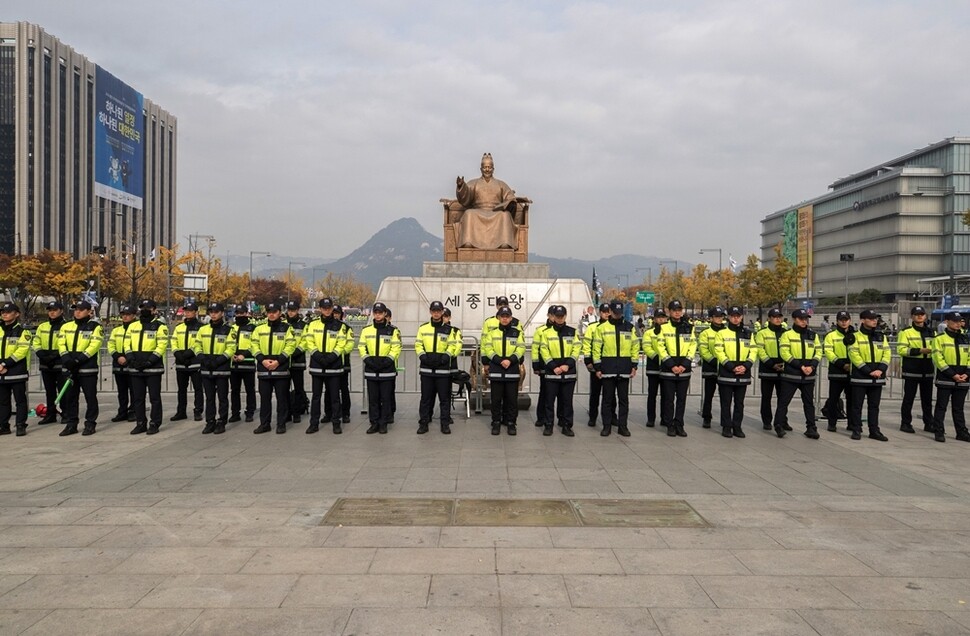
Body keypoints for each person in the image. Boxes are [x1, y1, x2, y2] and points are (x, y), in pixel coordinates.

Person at [454, 153, 523, 249]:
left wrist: (511, 202)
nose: (487, 169)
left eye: (489, 167)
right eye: (485, 167)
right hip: (478, 211)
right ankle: (468, 242)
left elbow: (509, 197)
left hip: (496, 212)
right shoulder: (474, 183)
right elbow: (465, 196)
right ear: (481, 169)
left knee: (505, 215)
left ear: (493, 169)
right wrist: (461, 186)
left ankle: (504, 243)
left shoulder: (501, 184)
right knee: (469, 213)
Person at [592, 300, 640, 437]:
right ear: (611, 312)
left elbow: (635, 346)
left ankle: (622, 426)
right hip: (608, 368)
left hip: (624, 368)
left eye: (620, 313)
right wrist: (597, 367)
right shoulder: (602, 328)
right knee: (607, 399)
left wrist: (634, 365)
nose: (618, 315)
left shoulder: (629, 327)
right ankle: (606, 426)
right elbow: (596, 349)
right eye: (615, 312)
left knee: (623, 400)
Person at [773, 309, 822, 439]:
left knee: (809, 403)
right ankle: (778, 425)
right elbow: (784, 353)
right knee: (784, 402)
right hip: (791, 375)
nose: (804, 321)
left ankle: (811, 428)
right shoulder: (787, 335)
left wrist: (812, 366)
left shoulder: (813, 335)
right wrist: (800, 366)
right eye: (801, 319)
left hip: (808, 375)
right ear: (794, 319)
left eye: (806, 319)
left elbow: (818, 352)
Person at [57, 301, 103, 436]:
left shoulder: (95, 327)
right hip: (70, 367)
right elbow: (61, 343)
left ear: (89, 312)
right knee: (70, 397)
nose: (77, 312)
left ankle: (90, 423)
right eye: (75, 309)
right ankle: (71, 424)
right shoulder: (66, 326)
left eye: (81, 310)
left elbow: (94, 345)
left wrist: (78, 360)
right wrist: (66, 358)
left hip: (87, 368)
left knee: (90, 397)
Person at [304, 297, 349, 434]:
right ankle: (314, 423)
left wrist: (331, 357)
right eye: (324, 308)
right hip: (317, 365)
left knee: (335, 397)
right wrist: (317, 355)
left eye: (329, 308)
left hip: (334, 365)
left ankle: (336, 423)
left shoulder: (340, 326)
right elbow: (309, 341)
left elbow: (341, 343)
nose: (327, 310)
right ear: (320, 309)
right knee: (316, 397)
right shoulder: (312, 325)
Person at [124, 299, 169, 435]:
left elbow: (161, 345)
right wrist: (131, 359)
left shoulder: (160, 326)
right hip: (136, 367)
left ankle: (154, 423)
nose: (145, 310)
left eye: (148, 308)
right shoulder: (133, 326)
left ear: (154, 310)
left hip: (153, 368)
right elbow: (127, 343)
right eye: (142, 307)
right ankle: (140, 423)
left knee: (154, 398)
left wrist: (150, 361)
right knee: (138, 397)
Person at [251, 301, 296, 434]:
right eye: (269, 312)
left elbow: (290, 346)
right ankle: (265, 424)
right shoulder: (259, 329)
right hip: (264, 369)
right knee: (265, 399)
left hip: (280, 369)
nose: (271, 314)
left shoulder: (287, 328)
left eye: (274, 312)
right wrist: (262, 360)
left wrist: (278, 361)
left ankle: (281, 424)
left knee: (281, 398)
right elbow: (254, 345)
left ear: (279, 313)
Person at [416, 300, 461, 434]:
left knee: (444, 399)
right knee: (425, 399)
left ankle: (445, 424)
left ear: (442, 312)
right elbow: (418, 344)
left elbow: (453, 345)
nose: (436, 313)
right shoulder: (423, 328)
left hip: (443, 370)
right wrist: (423, 356)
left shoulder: (449, 330)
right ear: (430, 312)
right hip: (426, 369)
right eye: (434, 311)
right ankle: (423, 423)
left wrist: (446, 356)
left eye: (438, 311)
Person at [847, 309, 891, 441]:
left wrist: (880, 370)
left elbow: (887, 353)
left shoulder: (881, 336)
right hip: (860, 377)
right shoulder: (854, 336)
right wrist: (868, 371)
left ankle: (874, 430)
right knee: (856, 405)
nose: (874, 321)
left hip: (877, 377)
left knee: (874, 406)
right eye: (871, 318)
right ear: (862, 320)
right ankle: (856, 429)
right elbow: (854, 355)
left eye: (875, 319)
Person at [714, 305, 757, 438]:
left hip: (743, 373)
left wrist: (746, 365)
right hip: (727, 372)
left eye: (738, 316)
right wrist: (731, 366)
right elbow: (719, 351)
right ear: (729, 317)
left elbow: (754, 350)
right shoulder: (722, 333)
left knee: (739, 403)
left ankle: (737, 426)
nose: (736, 318)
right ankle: (727, 426)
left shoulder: (748, 333)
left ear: (742, 317)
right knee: (725, 402)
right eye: (733, 316)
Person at [482, 305, 525, 435]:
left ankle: (511, 423)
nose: (505, 319)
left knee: (512, 399)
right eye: (503, 317)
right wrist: (499, 360)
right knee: (495, 399)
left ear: (511, 318)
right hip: (496, 369)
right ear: (498, 318)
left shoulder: (517, 333)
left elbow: (521, 348)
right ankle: (496, 422)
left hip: (511, 369)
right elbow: (488, 348)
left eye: (507, 317)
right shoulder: (492, 333)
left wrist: (510, 360)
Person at [193, 302, 236, 434]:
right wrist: (203, 359)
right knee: (209, 397)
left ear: (222, 313)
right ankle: (210, 422)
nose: (213, 314)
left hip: (221, 368)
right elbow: (196, 346)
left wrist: (219, 360)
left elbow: (231, 348)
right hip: (206, 368)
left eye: (216, 312)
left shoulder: (229, 330)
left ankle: (221, 421)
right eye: (211, 312)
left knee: (222, 397)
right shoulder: (203, 330)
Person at [359, 302, 401, 434]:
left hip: (386, 370)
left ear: (384, 314)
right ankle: (374, 423)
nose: (377, 315)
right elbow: (361, 346)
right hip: (371, 369)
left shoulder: (392, 331)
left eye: (380, 313)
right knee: (373, 399)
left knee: (385, 398)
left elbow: (396, 347)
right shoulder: (366, 330)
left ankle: (383, 423)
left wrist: (388, 360)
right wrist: (367, 359)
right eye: (375, 312)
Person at [656, 300, 695, 437]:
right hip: (669, 369)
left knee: (681, 399)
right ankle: (669, 425)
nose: (677, 312)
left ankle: (679, 424)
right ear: (669, 312)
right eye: (674, 310)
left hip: (684, 369)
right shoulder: (664, 328)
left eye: (679, 309)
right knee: (669, 399)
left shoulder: (689, 327)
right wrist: (672, 365)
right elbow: (660, 347)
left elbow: (692, 346)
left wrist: (684, 364)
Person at [540, 305, 580, 436]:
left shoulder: (573, 332)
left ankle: (567, 425)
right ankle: (548, 425)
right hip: (552, 373)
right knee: (549, 401)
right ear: (553, 317)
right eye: (557, 316)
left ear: (565, 316)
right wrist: (553, 366)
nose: (559, 318)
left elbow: (576, 349)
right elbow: (544, 351)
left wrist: (567, 365)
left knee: (567, 402)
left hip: (568, 373)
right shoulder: (546, 333)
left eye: (562, 316)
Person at [930, 311, 970, 443]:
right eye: (955, 321)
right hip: (946, 378)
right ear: (947, 322)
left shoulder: (965, 338)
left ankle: (961, 432)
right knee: (941, 406)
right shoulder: (939, 339)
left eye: (960, 321)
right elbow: (938, 358)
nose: (958, 324)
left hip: (963, 378)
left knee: (958, 407)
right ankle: (939, 431)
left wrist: (967, 373)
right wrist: (953, 374)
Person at [897, 306, 936, 434]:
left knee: (927, 400)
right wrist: (919, 350)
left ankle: (929, 423)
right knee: (909, 399)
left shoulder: (932, 332)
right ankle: (906, 423)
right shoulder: (906, 332)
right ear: (912, 317)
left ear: (925, 316)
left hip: (927, 369)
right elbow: (901, 350)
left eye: (922, 314)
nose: (919, 316)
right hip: (912, 369)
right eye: (917, 314)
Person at [31, 301, 67, 425]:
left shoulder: (67, 326)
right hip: (45, 363)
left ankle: (65, 413)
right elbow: (36, 342)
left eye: (55, 310)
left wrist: (54, 356)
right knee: (49, 391)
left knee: (63, 390)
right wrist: (41, 354)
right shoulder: (43, 326)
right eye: (50, 310)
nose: (51, 312)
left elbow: (67, 343)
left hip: (60, 361)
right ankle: (50, 414)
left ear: (61, 311)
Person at [821, 311, 856, 433]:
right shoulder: (831, 336)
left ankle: (852, 423)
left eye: (846, 319)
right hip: (836, 371)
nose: (844, 321)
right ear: (837, 321)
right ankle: (832, 423)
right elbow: (829, 352)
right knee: (833, 399)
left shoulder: (856, 335)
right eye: (841, 319)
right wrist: (842, 365)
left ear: (850, 320)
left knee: (852, 400)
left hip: (852, 372)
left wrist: (853, 365)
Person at [0, 303, 31, 436]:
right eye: (3, 312)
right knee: (2, 401)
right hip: (1, 372)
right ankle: (4, 425)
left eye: (8, 311)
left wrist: (5, 364)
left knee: (20, 400)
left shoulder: (23, 332)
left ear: (17, 314)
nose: (4, 314)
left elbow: (21, 351)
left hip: (16, 372)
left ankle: (20, 425)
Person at [169, 302, 203, 422]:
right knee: (181, 389)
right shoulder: (179, 327)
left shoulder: (201, 327)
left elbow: (200, 342)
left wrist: (191, 352)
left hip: (195, 361)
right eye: (186, 311)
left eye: (190, 311)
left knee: (198, 388)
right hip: (181, 361)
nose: (187, 313)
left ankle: (198, 410)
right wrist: (177, 353)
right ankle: (181, 411)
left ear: (195, 312)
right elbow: (173, 341)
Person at [755, 308, 787, 432]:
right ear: (769, 319)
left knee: (783, 398)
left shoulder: (786, 332)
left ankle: (782, 420)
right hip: (767, 369)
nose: (777, 319)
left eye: (779, 317)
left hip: (783, 369)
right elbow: (760, 350)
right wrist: (771, 364)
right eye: (775, 317)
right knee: (766, 397)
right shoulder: (762, 333)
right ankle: (767, 421)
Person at [581, 303, 612, 427]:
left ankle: (612, 416)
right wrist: (588, 361)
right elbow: (587, 344)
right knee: (595, 392)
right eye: (604, 312)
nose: (606, 314)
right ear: (600, 313)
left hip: (610, 364)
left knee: (610, 394)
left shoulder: (614, 326)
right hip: (596, 364)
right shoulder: (593, 327)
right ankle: (593, 416)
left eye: (608, 311)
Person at [106, 305, 137, 423]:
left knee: (134, 390)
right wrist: (117, 357)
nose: (125, 317)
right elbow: (111, 345)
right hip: (118, 364)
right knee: (122, 391)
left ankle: (133, 411)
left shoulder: (137, 329)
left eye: (128, 314)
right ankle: (122, 411)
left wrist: (128, 358)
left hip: (132, 363)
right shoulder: (116, 330)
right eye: (123, 314)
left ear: (134, 316)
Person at [697, 306, 727, 428]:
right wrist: (714, 361)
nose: (719, 319)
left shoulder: (727, 332)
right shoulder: (706, 333)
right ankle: (706, 417)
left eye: (721, 316)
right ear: (711, 318)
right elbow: (703, 350)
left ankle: (725, 419)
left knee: (725, 396)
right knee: (709, 394)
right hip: (711, 367)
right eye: (716, 316)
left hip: (725, 368)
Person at [229, 304, 257, 423]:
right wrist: (231, 355)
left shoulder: (253, 328)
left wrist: (244, 355)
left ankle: (250, 412)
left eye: (242, 313)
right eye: (238, 313)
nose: (239, 315)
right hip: (233, 364)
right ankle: (235, 413)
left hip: (248, 363)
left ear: (247, 313)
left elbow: (254, 344)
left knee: (250, 389)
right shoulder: (231, 328)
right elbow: (228, 343)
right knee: (234, 390)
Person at [641, 309, 667, 427]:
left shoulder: (669, 332)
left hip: (667, 367)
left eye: (663, 317)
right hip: (653, 366)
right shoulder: (649, 333)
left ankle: (664, 418)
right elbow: (647, 347)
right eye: (659, 317)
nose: (661, 319)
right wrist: (658, 358)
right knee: (652, 394)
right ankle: (651, 418)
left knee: (666, 395)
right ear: (655, 319)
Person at [284, 300, 308, 424]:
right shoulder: (283, 324)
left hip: (298, 361)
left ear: (298, 310)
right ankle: (287, 412)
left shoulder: (304, 326)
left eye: (293, 310)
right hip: (284, 362)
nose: (291, 312)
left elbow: (305, 341)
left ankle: (297, 412)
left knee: (298, 389)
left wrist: (294, 353)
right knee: (284, 389)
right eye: (289, 310)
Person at [531, 306, 554, 428]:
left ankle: (560, 418)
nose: (555, 317)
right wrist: (535, 365)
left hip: (559, 366)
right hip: (545, 365)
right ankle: (541, 417)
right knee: (544, 392)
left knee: (560, 394)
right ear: (548, 315)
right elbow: (535, 348)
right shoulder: (541, 330)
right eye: (552, 315)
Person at [331, 305, 354, 424]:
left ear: (341, 314)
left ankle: (345, 413)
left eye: (337, 313)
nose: (335, 315)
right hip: (330, 364)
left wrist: (337, 353)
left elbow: (349, 345)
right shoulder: (327, 326)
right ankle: (329, 413)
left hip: (343, 362)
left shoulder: (346, 328)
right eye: (333, 312)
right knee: (330, 390)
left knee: (344, 389)